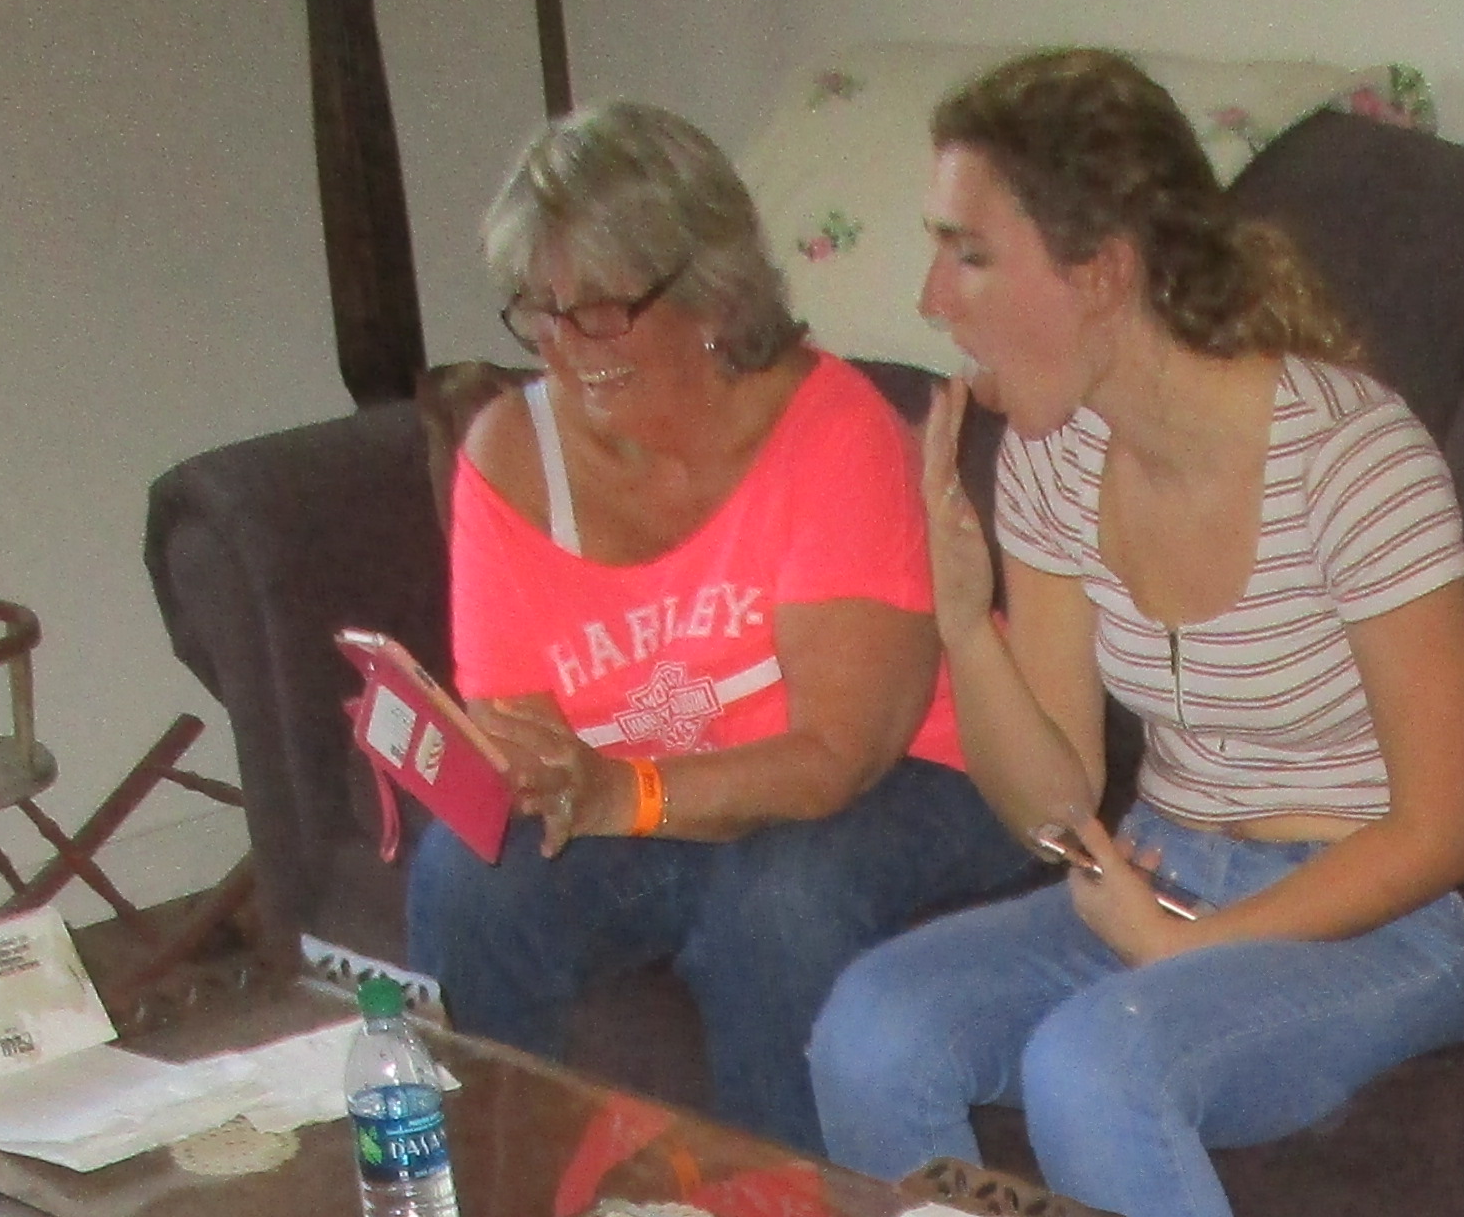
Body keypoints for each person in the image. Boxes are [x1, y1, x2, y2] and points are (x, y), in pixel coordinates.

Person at [810, 50, 1464, 1217]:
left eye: (970, 254)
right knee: (873, 1028)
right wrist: (961, 610)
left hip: (1373, 917)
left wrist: (1191, 950)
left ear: (1103, 271)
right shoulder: (1057, 454)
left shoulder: (1356, 463)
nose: (931, 298)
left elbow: (1445, 821)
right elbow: (1050, 792)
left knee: (1097, 1066)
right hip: (1159, 862)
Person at [411, 100, 1024, 1147]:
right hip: (660, 804)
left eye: (601, 309)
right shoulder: (511, 455)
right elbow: (522, 742)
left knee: (777, 895)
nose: (565, 347)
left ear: (708, 294)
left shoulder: (832, 435)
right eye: (539, 311)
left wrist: (622, 793)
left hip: (913, 780)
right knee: (471, 872)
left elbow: (833, 757)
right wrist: (523, 776)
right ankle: (498, 1202)